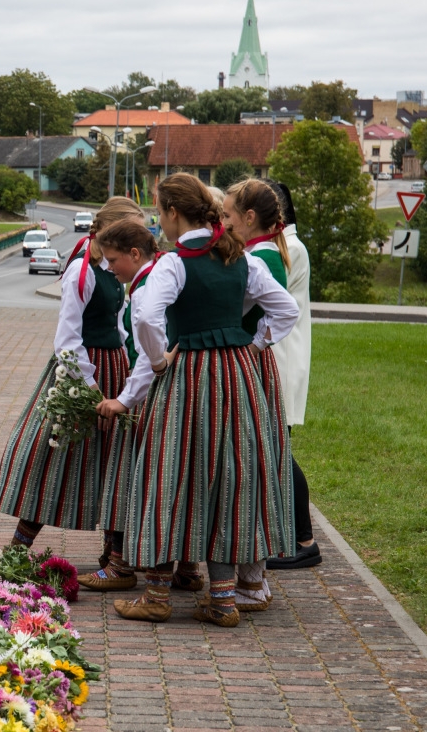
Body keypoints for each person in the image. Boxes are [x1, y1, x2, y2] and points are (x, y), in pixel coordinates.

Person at [115, 173, 298, 628]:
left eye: (160, 213)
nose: (160, 222)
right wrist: (251, 345)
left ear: (173, 213)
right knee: (229, 478)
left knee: (168, 471)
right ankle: (224, 600)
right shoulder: (240, 257)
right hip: (237, 377)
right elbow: (286, 310)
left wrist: (157, 361)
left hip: (190, 376)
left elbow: (146, 316)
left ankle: (157, 594)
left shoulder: (175, 263)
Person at [0, 198, 138, 583]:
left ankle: (115, 555)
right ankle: (17, 550)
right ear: (112, 232)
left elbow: (117, 325)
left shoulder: (110, 268)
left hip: (112, 368)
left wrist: (124, 369)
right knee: (53, 457)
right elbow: (67, 340)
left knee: (113, 459)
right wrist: (89, 386)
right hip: (80, 374)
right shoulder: (81, 272)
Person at [94, 219, 205, 596]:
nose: (109, 267)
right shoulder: (152, 277)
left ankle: (122, 563)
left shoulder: (146, 288)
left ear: (135, 254)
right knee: (182, 475)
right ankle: (187, 566)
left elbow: (146, 351)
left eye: (113, 260)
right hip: (170, 387)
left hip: (153, 392)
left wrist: (126, 399)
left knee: (137, 478)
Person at [222, 177, 295, 612]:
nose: (224, 223)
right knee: (255, 461)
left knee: (250, 466)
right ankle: (253, 576)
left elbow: (279, 311)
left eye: (229, 216)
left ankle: (251, 576)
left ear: (249, 218)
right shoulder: (264, 250)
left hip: (247, 363)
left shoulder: (260, 256)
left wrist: (253, 346)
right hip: (254, 364)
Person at [264, 180, 320, 570]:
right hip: (277, 355)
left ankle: (305, 541)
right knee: (276, 451)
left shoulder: (290, 249)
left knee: (280, 453)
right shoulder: (283, 246)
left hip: (281, 358)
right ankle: (290, 536)